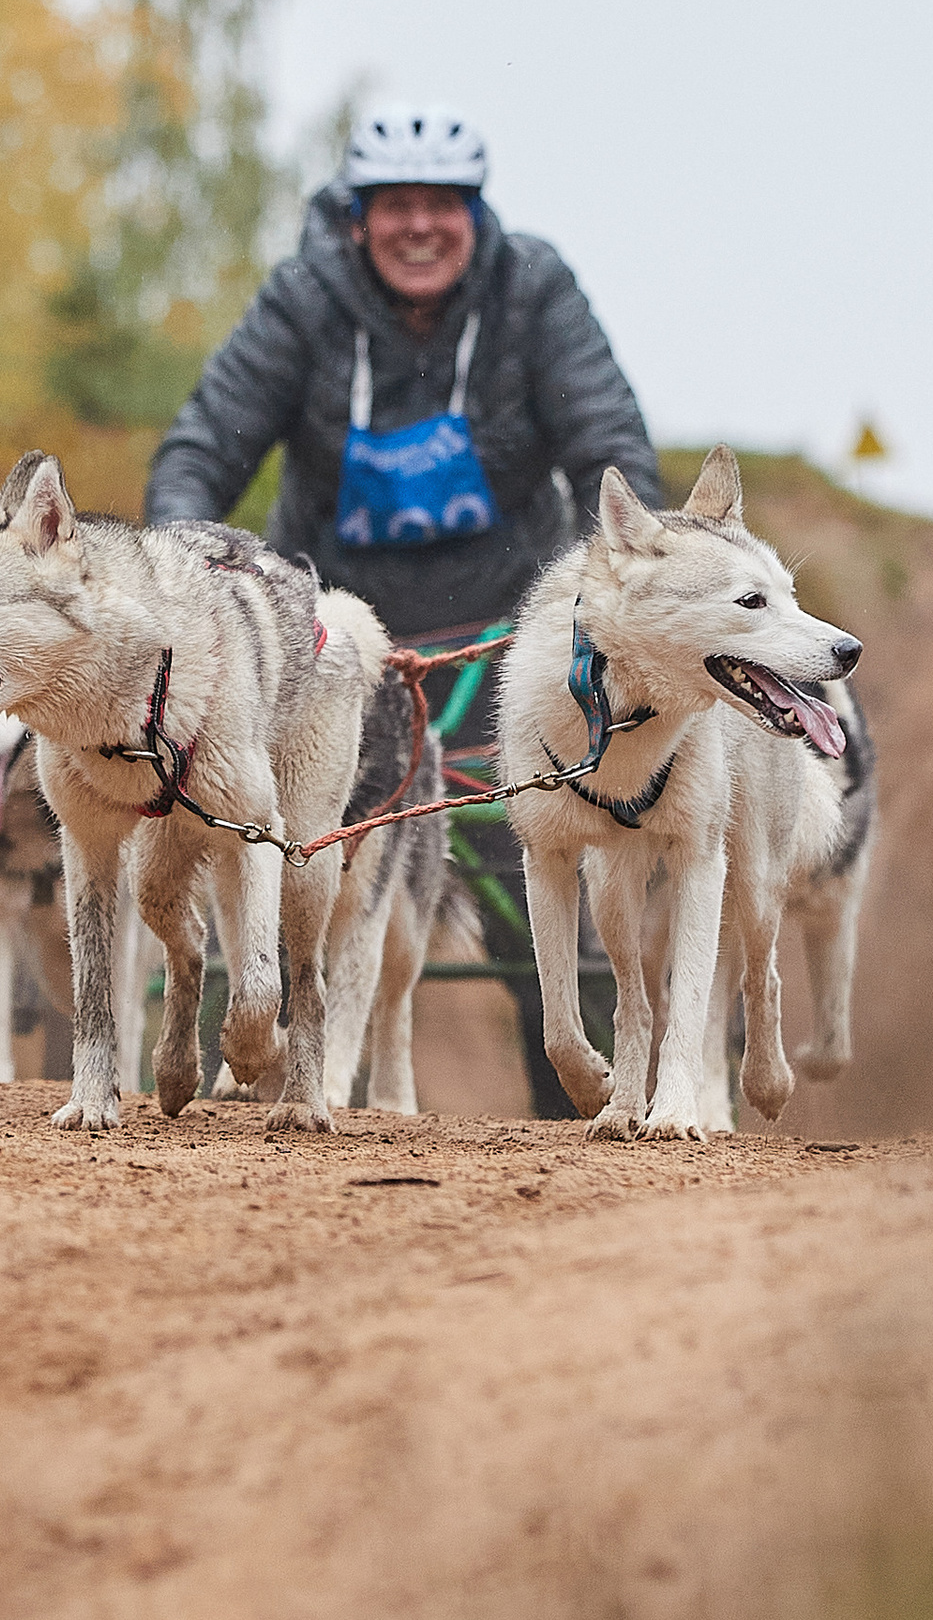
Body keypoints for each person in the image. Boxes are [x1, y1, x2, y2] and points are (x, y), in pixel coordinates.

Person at [144, 101, 663, 1116]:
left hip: (501, 637)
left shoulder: (534, 292)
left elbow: (607, 441)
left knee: (539, 877)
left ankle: (595, 1111)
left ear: (475, 215)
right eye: (395, 208)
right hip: (339, 641)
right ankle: (230, 1097)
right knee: (279, 858)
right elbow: (204, 446)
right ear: (355, 217)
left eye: (442, 206)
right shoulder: (305, 299)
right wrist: (180, 563)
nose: (418, 227)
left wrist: (626, 568)